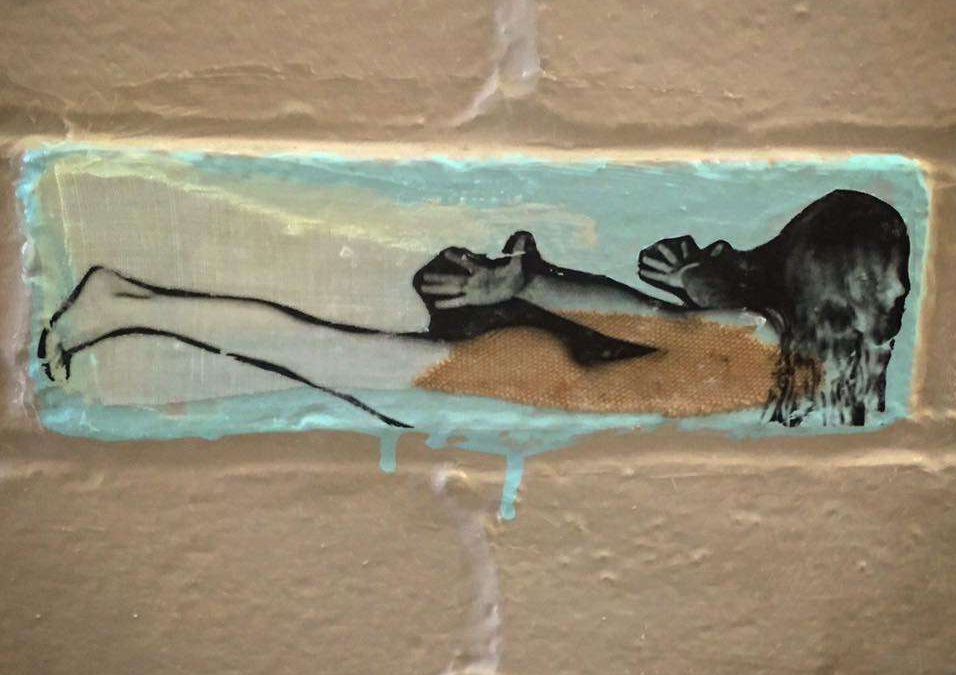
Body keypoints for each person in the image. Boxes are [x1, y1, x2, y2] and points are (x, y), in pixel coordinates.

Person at [39, 189, 909, 429]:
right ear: (837, 284)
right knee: (313, 350)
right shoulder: (758, 345)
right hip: (520, 379)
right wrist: (530, 283)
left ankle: (128, 304)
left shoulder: (789, 349)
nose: (903, 293)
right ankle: (122, 302)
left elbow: (686, 318)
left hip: (542, 383)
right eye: (890, 276)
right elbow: (632, 318)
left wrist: (695, 277)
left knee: (317, 352)